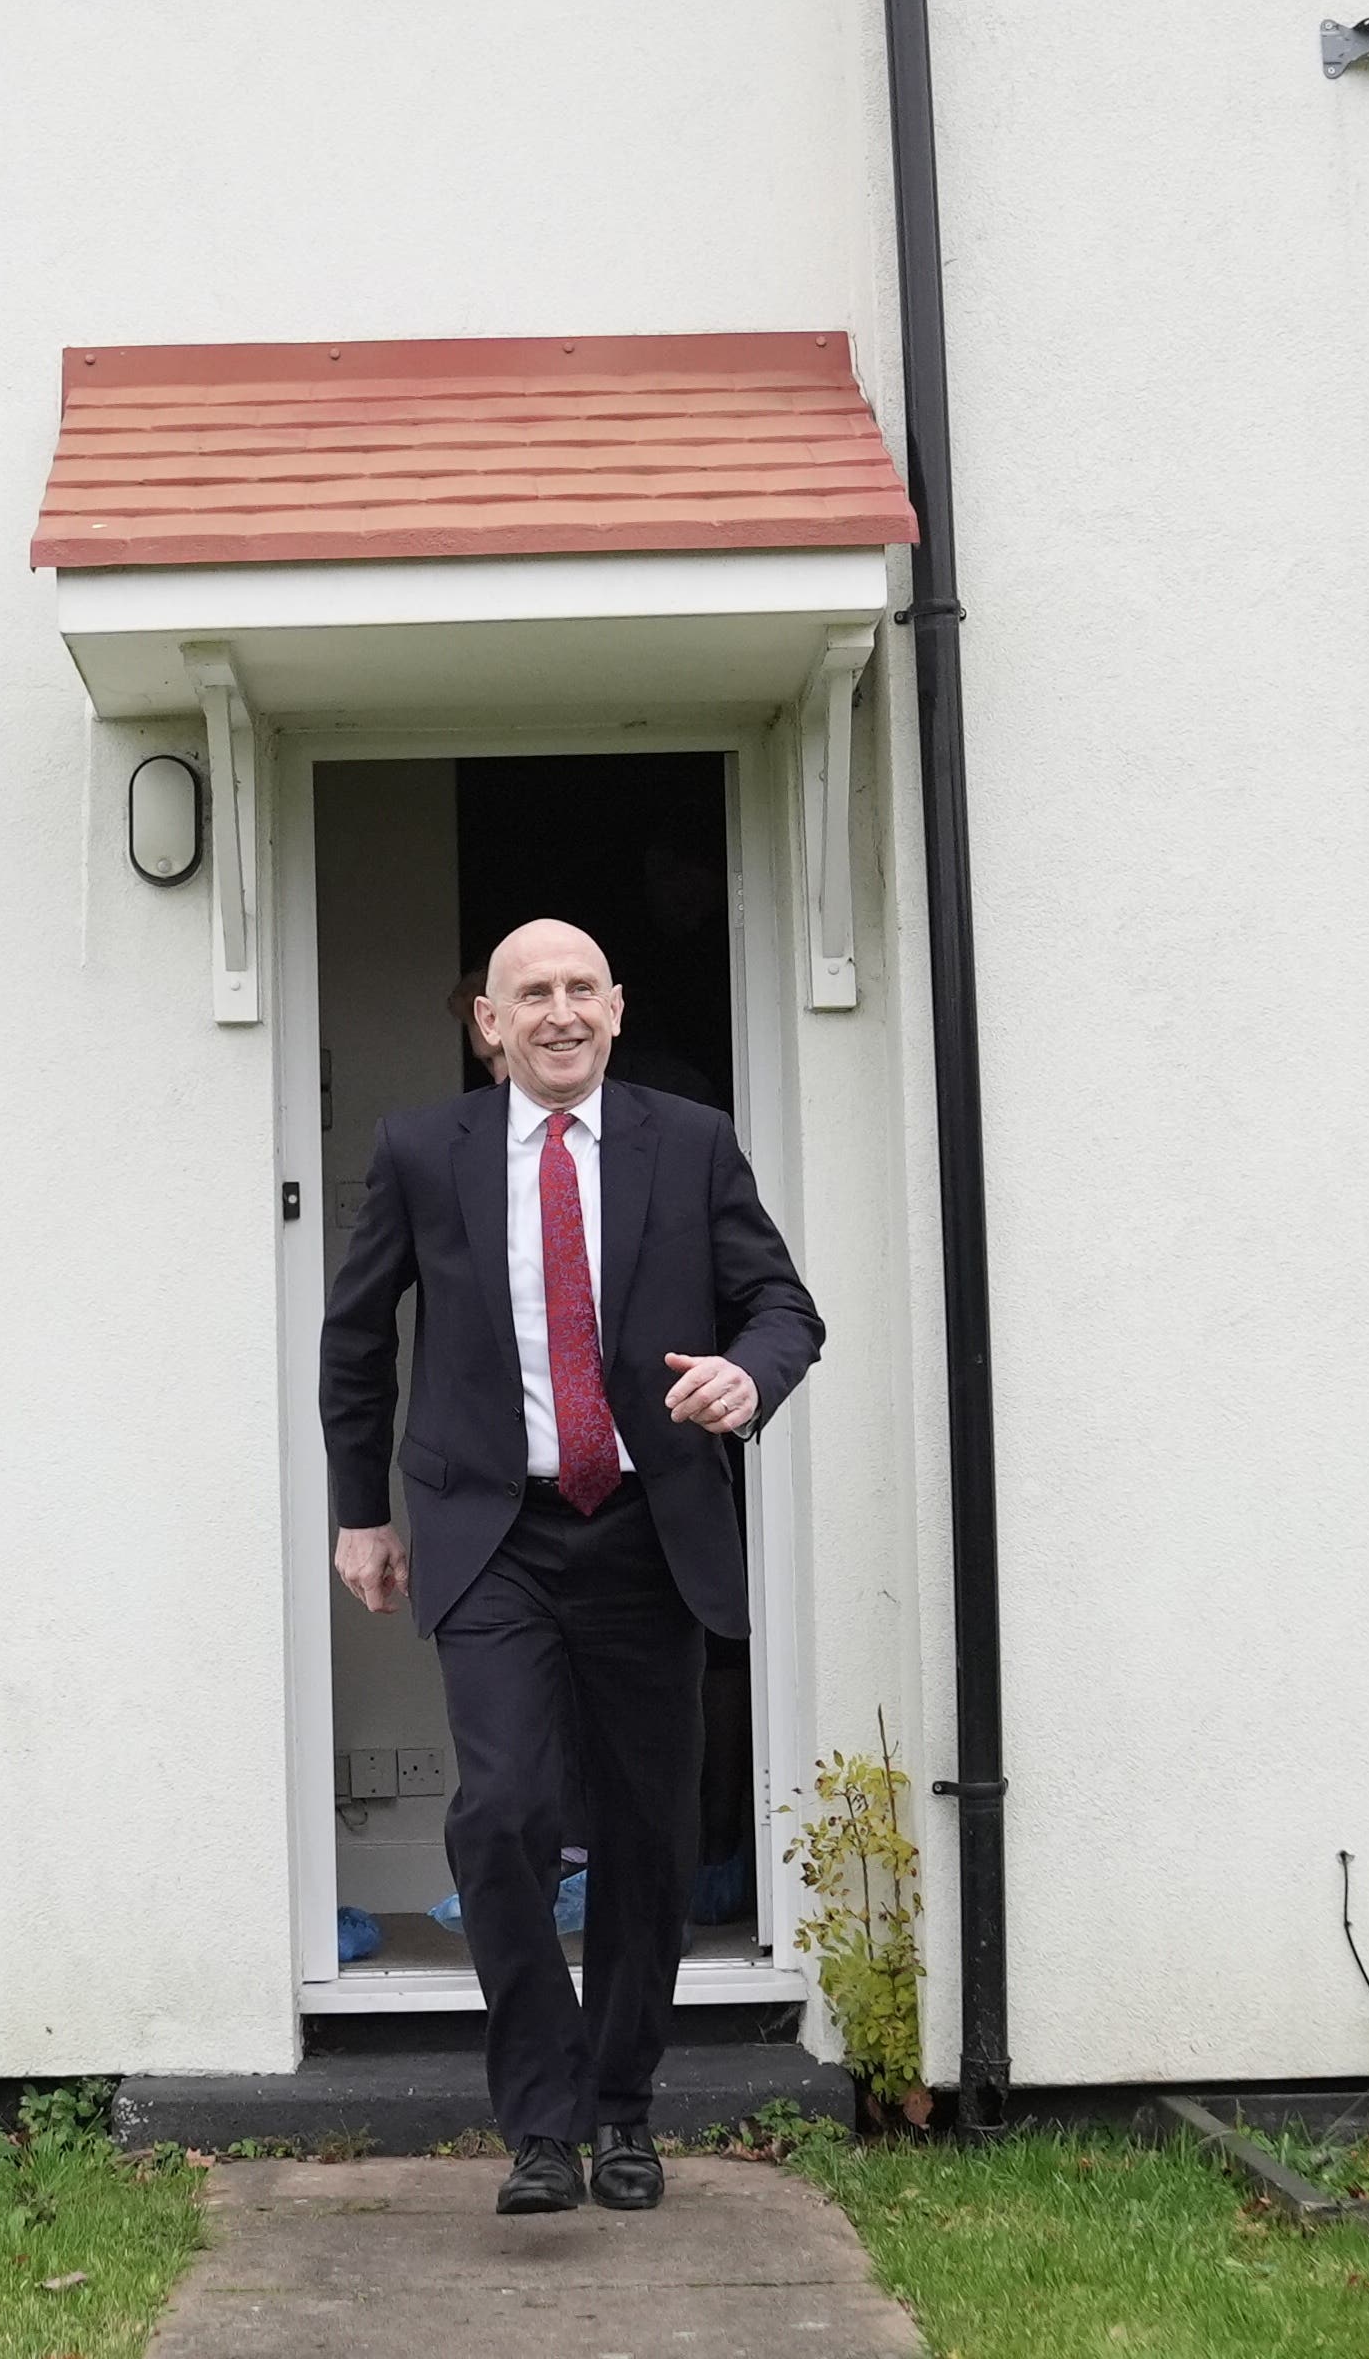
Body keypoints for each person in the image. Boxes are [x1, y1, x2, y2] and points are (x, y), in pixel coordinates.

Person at [323, 918, 826, 2216]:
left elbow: (784, 1308)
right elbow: (358, 1343)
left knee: (650, 1842)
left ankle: (621, 2112)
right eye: (528, 993)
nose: (558, 1011)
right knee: (501, 1815)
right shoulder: (423, 1155)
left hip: (648, 1537)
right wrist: (361, 1514)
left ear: (614, 1006)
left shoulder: (690, 1143)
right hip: (494, 1534)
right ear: (484, 1021)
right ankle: (540, 2120)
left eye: (579, 989)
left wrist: (744, 1375)